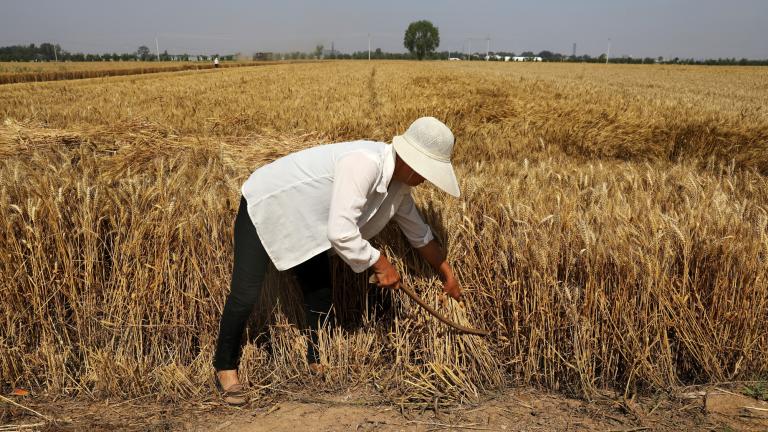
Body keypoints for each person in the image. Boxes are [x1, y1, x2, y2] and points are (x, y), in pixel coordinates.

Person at [213, 117, 462, 405]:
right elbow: (341, 231)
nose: (427, 179)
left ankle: (315, 359)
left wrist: (446, 273)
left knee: (320, 292)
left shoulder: (399, 188)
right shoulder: (364, 163)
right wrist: (381, 263)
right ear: (410, 160)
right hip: (268, 203)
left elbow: (419, 235)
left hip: (309, 221)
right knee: (246, 293)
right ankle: (225, 367)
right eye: (427, 171)